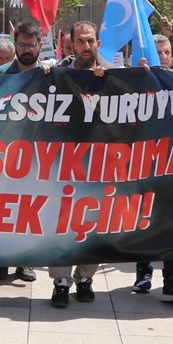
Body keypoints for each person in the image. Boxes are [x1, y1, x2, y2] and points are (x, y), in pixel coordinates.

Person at [48, 21, 111, 308]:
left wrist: (106, 83)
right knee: (61, 224)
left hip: (99, 162)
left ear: (98, 42)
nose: (86, 46)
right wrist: (47, 75)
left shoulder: (114, 74)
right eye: (81, 41)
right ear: (71, 44)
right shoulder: (58, 72)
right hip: (64, 162)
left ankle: (85, 278)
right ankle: (61, 283)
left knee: (92, 223)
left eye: (91, 41)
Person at [133, 34, 173, 303]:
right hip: (144, 163)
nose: (163, 57)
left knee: (172, 223)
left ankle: (172, 281)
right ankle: (143, 273)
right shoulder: (136, 79)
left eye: (166, 52)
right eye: (158, 53)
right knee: (144, 221)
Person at [0, 20, 43, 284]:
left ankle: (25, 261)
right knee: (2, 208)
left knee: (29, 210)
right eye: (21, 44)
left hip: (36, 154)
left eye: (30, 45)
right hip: (3, 152)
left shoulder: (50, 76)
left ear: (39, 45)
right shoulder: (0, 74)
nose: (26, 50)